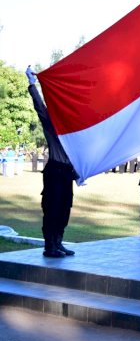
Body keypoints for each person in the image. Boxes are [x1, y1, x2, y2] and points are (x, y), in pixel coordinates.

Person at [26, 67, 78, 257]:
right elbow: (40, 106)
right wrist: (33, 85)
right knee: (52, 207)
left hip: (67, 172)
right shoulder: (52, 123)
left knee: (65, 208)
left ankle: (58, 241)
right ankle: (50, 245)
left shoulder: (76, 129)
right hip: (55, 170)